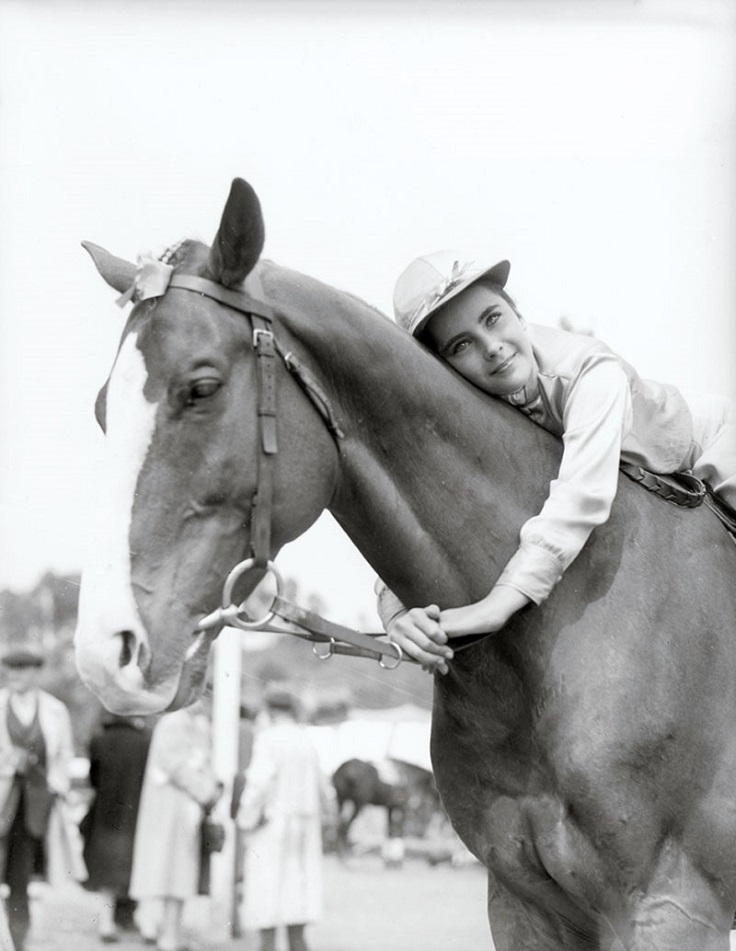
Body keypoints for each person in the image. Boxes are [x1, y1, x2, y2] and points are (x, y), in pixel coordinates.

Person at [378, 250, 736, 674]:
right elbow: (414, 512)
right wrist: (401, 616)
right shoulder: (465, 412)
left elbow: (580, 496)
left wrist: (500, 604)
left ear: (517, 312)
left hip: (710, 448)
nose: (491, 348)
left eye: (492, 318)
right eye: (462, 344)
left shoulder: (591, 371)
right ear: (442, 366)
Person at [0, 645, 84, 951]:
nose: (16, 675)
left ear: (36, 673)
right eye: (11, 668)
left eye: (23, 669)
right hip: (2, 799)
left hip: (34, 804)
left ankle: (18, 939)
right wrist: (9, 761)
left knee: (20, 876)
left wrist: (54, 786)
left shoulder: (53, 710)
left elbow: (63, 755)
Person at [236, 684, 331, 951]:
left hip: (273, 824)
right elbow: (324, 788)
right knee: (297, 894)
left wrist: (245, 819)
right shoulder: (305, 739)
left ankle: (267, 946)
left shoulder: (268, 738)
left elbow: (258, 783)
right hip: (304, 825)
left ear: (270, 710)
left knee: (267, 891)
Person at [129, 697, 221, 951]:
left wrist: (210, 788)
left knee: (180, 871)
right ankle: (158, 929)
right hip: (168, 808)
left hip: (187, 809)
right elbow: (174, 765)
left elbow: (205, 761)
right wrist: (204, 791)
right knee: (163, 868)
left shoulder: (198, 725)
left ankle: (172, 932)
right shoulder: (172, 724)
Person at [80, 712, 152, 943]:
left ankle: (106, 924)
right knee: (134, 866)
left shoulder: (99, 739)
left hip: (106, 813)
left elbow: (93, 778)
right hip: (135, 813)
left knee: (106, 872)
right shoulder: (146, 741)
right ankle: (141, 922)